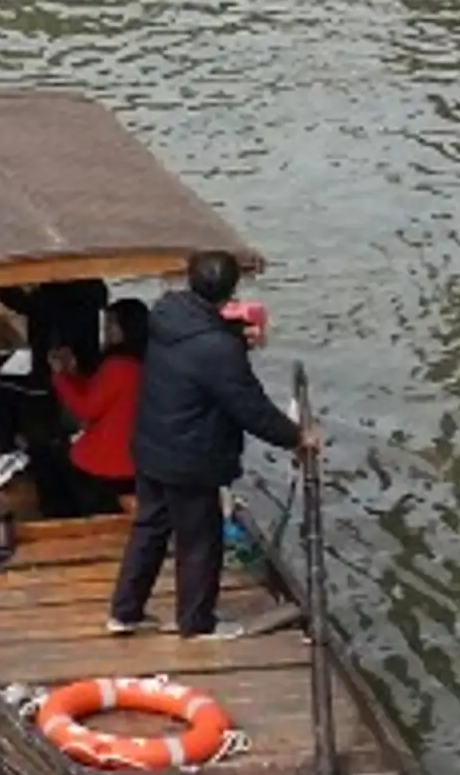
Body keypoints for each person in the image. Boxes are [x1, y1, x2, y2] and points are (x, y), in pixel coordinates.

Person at [106, 252, 314, 639]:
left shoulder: (165, 314)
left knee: (149, 528)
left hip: (151, 446)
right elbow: (250, 408)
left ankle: (125, 611)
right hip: (191, 458)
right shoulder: (218, 350)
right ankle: (197, 622)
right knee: (199, 540)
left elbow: (197, 343)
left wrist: (235, 338)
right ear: (232, 290)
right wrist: (297, 436)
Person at [40, 297, 149, 517]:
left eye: (110, 325)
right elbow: (99, 395)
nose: (106, 332)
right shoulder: (146, 360)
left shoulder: (118, 365)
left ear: (123, 329)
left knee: (48, 458)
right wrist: (72, 374)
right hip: (140, 459)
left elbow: (85, 408)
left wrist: (60, 376)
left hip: (108, 462)